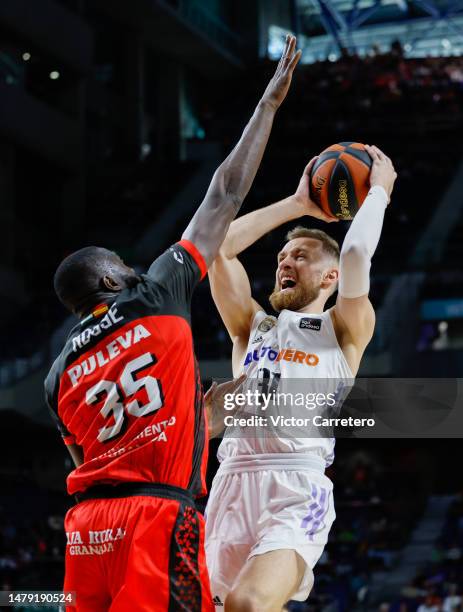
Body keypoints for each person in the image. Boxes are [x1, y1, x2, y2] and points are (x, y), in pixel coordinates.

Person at [44, 36, 302, 612]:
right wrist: (268, 106)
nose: (132, 267)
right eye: (122, 264)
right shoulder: (154, 292)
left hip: (85, 533)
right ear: (111, 280)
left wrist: (191, 422)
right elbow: (225, 193)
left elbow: (95, 455)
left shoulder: (57, 373)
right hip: (155, 517)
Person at [205, 146, 397, 610]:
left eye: (301, 256)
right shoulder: (253, 327)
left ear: (331, 276)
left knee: (247, 604)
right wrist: (297, 204)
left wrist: (381, 194)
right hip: (229, 482)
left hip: (295, 487)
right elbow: (218, 248)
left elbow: (354, 251)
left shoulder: (344, 328)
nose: (284, 263)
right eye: (282, 256)